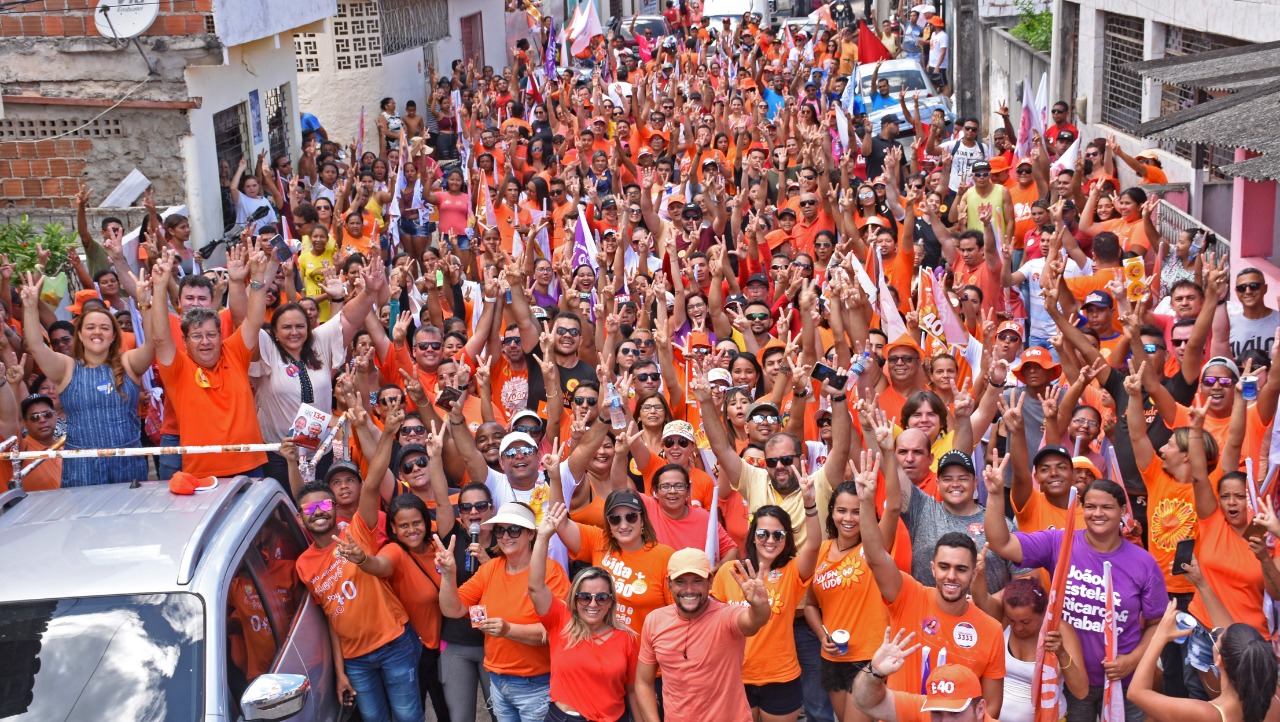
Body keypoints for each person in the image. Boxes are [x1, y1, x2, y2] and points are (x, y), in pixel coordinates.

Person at [984, 472, 1167, 722]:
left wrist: (1132, 661)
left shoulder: (1144, 562)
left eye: (1107, 507)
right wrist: (995, 495)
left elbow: (1157, 623)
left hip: (1123, 681)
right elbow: (1002, 544)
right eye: (1090, 506)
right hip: (1070, 679)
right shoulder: (1060, 542)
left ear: (1123, 511)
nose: (1097, 513)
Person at [293, 403, 423, 722]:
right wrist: (341, 672)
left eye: (324, 505)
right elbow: (331, 618)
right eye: (309, 510)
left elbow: (374, 480)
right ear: (301, 518)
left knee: (408, 717)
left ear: (334, 507)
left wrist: (387, 434)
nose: (318, 512)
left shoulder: (358, 531)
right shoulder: (303, 565)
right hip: (355, 662)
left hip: (394, 644)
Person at [436, 500, 570, 722]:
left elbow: (556, 632)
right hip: (498, 681)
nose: (506, 536)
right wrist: (448, 575)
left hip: (536, 684)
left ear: (530, 534)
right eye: (500, 530)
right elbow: (453, 609)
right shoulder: (490, 569)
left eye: (514, 529)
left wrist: (508, 630)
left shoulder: (551, 572)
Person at [20, 269, 157, 486]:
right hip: (82, 468)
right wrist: (29, 307)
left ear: (113, 336)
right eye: (90, 327)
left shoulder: (128, 363)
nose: (97, 332)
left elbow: (152, 344)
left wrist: (146, 304)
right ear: (80, 335)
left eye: (105, 328)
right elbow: (36, 346)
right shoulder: (66, 368)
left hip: (127, 465)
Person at [530, 502, 642, 722]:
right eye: (584, 597)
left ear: (611, 601)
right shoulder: (560, 619)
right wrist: (542, 538)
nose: (593, 604)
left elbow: (632, 690)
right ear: (574, 598)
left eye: (601, 597)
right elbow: (535, 587)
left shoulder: (627, 638)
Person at [636, 548, 773, 722]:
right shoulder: (654, 620)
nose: (689, 590)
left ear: (710, 582)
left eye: (697, 581)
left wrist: (760, 606)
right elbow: (643, 681)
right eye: (680, 582)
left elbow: (754, 621)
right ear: (669, 583)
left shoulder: (727, 616)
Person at [1128, 603, 1278, 722]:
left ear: (1219, 661)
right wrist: (1203, 585)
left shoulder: (1207, 714)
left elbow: (1136, 693)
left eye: (1216, 638)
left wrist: (1159, 636)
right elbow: (1237, 643)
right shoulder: (1274, 699)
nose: (1217, 633)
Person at [851, 629, 1000, 722]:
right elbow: (867, 702)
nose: (944, 721)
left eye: (955, 713)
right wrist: (875, 672)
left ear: (980, 709)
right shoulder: (925, 709)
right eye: (936, 712)